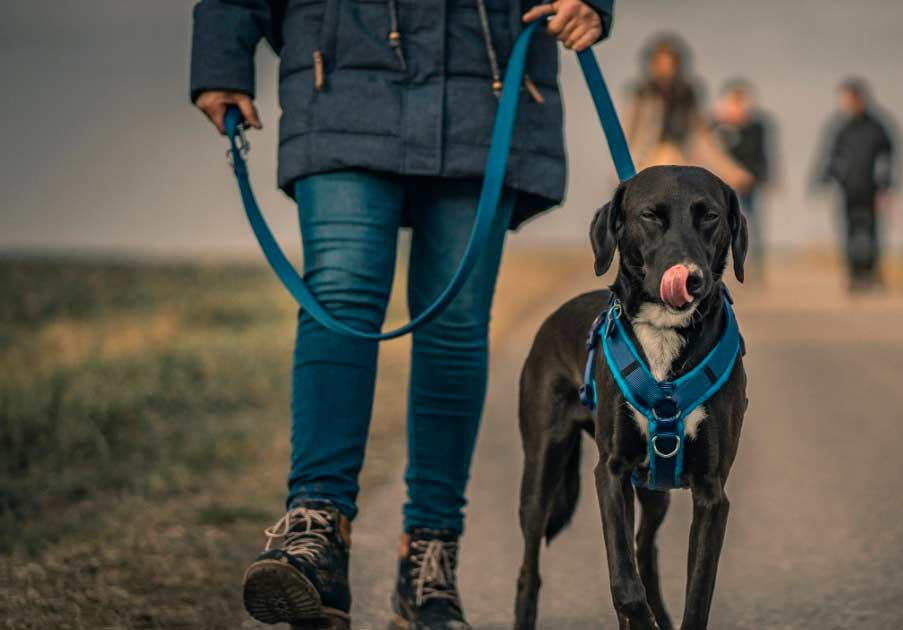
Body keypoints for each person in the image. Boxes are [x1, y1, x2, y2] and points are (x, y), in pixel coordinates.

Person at [189, 1, 612, 628]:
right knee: (339, 295)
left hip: (484, 83)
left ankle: (429, 562)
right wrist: (221, 51)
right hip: (339, 72)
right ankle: (316, 534)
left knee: (458, 325)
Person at [623, 33, 752, 191]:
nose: (665, 70)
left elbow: (703, 137)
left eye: (670, 64)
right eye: (660, 64)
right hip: (647, 162)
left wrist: (730, 171)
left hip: (681, 161)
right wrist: (625, 173)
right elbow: (629, 134)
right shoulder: (642, 94)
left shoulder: (686, 95)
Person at [811, 76, 903, 291]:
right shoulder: (840, 125)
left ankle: (870, 274)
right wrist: (824, 178)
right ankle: (854, 276)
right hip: (847, 189)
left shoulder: (877, 126)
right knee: (849, 233)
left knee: (871, 233)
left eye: (847, 98)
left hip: (872, 190)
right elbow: (831, 155)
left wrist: (887, 185)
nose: (844, 103)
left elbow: (888, 156)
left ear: (859, 98)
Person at [712, 78, 773, 283]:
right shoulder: (716, 126)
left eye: (743, 101)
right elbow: (708, 153)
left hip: (749, 184)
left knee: (752, 225)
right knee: (718, 225)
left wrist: (764, 178)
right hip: (722, 185)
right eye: (735, 101)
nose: (739, 106)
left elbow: (763, 155)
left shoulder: (756, 126)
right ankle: (718, 269)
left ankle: (753, 270)